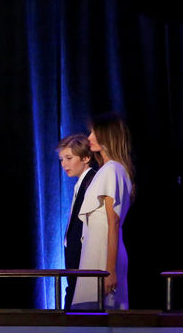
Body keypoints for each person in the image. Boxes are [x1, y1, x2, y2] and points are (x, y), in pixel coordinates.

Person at [71, 112, 134, 310]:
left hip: (104, 256)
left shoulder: (113, 170)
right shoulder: (106, 170)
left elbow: (112, 223)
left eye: (94, 133)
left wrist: (110, 270)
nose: (89, 138)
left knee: (103, 316)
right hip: (95, 253)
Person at [57, 134, 98, 310]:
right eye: (62, 159)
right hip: (74, 257)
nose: (64, 164)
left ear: (86, 158)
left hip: (82, 257)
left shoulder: (91, 181)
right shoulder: (81, 183)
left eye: (69, 158)